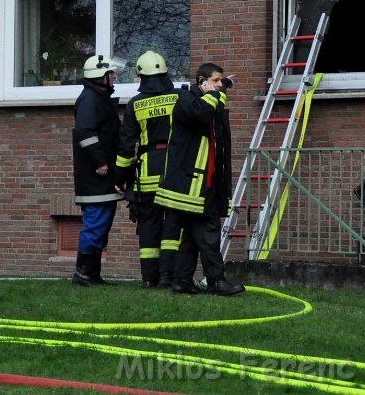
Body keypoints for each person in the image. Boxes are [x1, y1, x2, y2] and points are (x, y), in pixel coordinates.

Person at [155, 62, 244, 296]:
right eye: (215, 81)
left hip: (205, 183)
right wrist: (218, 93)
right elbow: (200, 113)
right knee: (209, 232)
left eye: (220, 82)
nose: (218, 86)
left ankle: (182, 281)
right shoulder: (184, 99)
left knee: (191, 238)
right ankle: (217, 281)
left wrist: (220, 90)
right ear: (201, 81)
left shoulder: (210, 102)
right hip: (190, 185)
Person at [115, 50, 182, 288]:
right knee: (173, 224)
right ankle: (167, 276)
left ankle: (148, 279)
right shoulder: (178, 98)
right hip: (175, 170)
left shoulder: (135, 104)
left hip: (147, 172)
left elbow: (126, 145)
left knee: (149, 225)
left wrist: (121, 176)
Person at [71, 53, 125, 287]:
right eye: (110, 73)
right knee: (95, 223)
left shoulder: (98, 98)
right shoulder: (90, 100)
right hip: (95, 175)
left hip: (103, 174)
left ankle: (92, 274)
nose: (113, 77)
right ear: (100, 76)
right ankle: (83, 274)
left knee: (102, 224)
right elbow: (85, 132)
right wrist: (100, 162)